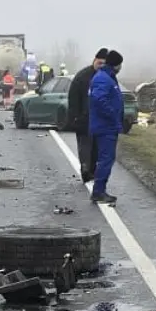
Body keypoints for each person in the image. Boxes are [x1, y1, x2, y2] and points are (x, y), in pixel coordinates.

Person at [88, 49, 124, 205]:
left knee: (106, 158)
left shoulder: (108, 77)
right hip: (105, 126)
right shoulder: (104, 78)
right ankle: (98, 192)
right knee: (105, 159)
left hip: (108, 125)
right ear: (116, 64)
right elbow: (99, 99)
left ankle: (100, 190)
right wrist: (112, 114)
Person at [68, 48, 108, 183]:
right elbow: (73, 97)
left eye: (104, 64)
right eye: (99, 63)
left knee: (96, 147)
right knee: (85, 146)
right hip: (83, 118)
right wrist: (75, 116)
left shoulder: (107, 77)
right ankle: (85, 169)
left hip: (100, 119)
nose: (101, 66)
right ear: (94, 61)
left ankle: (92, 170)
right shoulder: (82, 76)